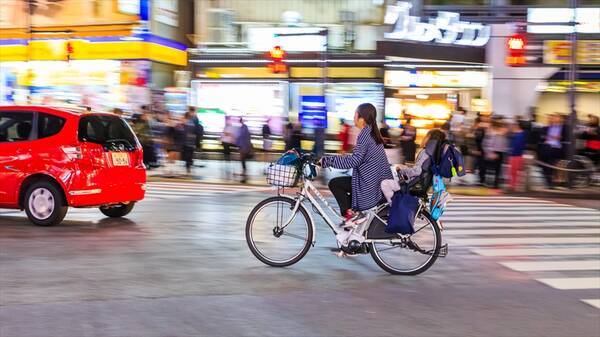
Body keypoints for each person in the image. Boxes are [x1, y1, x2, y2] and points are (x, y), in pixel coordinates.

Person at [320, 103, 392, 228]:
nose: (353, 118)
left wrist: (327, 161)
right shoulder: (372, 133)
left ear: (362, 119)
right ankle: (353, 221)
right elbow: (358, 158)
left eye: (355, 115)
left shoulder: (365, 134)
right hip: (373, 182)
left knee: (335, 184)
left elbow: (354, 161)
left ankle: (351, 215)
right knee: (342, 184)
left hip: (369, 186)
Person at [381, 129, 447, 203]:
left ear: (430, 139)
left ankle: (393, 207)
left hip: (410, 185)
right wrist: (405, 168)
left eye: (426, 136)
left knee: (384, 183)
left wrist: (401, 170)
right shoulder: (434, 156)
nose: (424, 138)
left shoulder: (425, 153)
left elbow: (417, 171)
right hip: (418, 184)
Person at [539, 113, 567, 188]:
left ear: (560, 119)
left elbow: (565, 137)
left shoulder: (564, 127)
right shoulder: (546, 128)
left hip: (556, 148)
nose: (554, 118)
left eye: (556, 117)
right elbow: (542, 137)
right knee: (544, 165)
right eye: (553, 117)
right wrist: (546, 138)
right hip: (547, 147)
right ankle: (548, 181)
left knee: (552, 165)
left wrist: (559, 137)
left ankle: (551, 182)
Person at [481, 117, 508, 189]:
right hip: (494, 151)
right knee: (491, 168)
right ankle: (488, 182)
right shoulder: (492, 132)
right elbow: (488, 143)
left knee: (497, 169)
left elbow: (503, 143)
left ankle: (495, 183)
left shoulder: (499, 132)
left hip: (498, 152)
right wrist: (490, 152)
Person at [181, 107, 203, 175]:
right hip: (190, 140)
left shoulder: (191, 119)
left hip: (190, 140)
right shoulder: (193, 119)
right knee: (189, 153)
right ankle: (188, 165)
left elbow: (194, 129)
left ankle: (188, 166)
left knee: (189, 153)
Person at [508, 120, 527, 192]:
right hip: (515, 155)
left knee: (514, 171)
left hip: (516, 155)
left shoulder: (520, 135)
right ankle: (513, 185)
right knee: (513, 171)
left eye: (515, 125)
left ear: (518, 126)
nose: (513, 126)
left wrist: (512, 153)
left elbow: (517, 146)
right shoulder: (518, 134)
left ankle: (514, 186)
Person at [237, 118, 253, 183]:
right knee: (243, 159)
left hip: (243, 146)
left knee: (243, 159)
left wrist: (238, 144)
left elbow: (241, 137)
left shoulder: (243, 128)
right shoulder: (244, 128)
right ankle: (244, 172)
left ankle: (244, 172)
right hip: (244, 146)